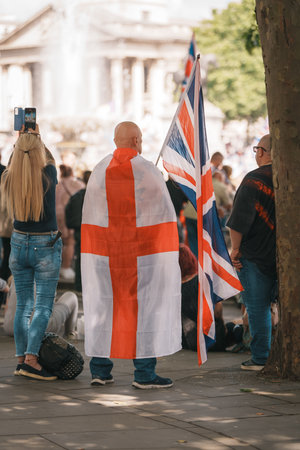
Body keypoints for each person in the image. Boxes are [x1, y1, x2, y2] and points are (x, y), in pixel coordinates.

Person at [81, 121, 181, 389]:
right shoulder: (148, 170)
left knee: (103, 307)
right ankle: (144, 374)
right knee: (145, 308)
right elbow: (163, 214)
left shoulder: (99, 171)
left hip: (105, 252)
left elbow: (92, 213)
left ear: (116, 140)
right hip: (142, 254)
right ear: (136, 140)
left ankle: (100, 371)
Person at [1, 125, 62, 381]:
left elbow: (18, 158)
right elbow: (49, 158)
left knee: (23, 305)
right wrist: (37, 137)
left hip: (18, 242)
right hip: (44, 245)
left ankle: (20, 359)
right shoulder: (48, 171)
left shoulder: (8, 176)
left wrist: (22, 142)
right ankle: (31, 359)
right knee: (43, 306)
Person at [227, 134, 277, 371]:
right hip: (283, 255)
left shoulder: (253, 180)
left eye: (258, 149)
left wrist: (235, 249)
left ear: (262, 152)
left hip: (255, 254)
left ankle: (260, 357)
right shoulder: (291, 175)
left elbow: (238, 222)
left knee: (258, 307)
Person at [3, 277, 78, 340]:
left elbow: (7, 309)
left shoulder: (15, 277)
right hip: (39, 329)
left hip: (10, 329)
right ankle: (70, 333)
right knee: (71, 296)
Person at [56, 165, 85, 281]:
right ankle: (66, 267)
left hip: (56, 215)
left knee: (59, 243)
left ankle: (58, 269)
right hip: (67, 215)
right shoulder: (76, 184)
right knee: (69, 243)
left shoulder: (57, 185)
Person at [65, 170, 91, 291]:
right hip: (91, 231)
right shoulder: (97, 196)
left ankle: (78, 285)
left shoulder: (77, 195)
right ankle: (87, 284)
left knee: (80, 257)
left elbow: (68, 210)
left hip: (78, 230)